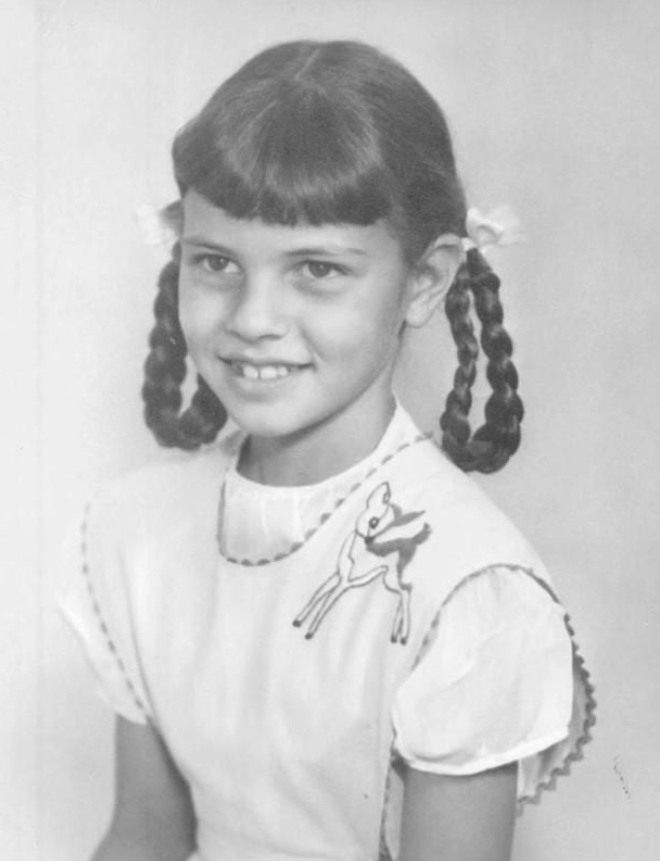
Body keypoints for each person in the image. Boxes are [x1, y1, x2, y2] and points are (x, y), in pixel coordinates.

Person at [62, 40, 595, 861]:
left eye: (315, 268)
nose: (251, 317)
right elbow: (144, 834)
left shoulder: (466, 586)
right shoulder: (139, 528)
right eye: (215, 262)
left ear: (424, 281)